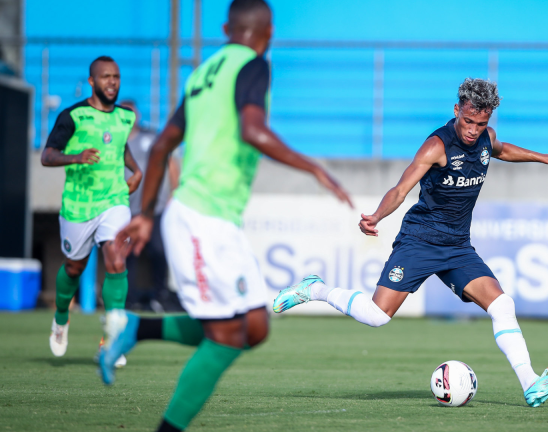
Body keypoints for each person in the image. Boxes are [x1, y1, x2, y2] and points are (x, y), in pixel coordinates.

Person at [101, 1, 352, 431]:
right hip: (201, 218)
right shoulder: (254, 65)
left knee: (254, 328)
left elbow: (162, 146)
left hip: (213, 219)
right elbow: (251, 130)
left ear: (226, 28)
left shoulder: (202, 73)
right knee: (226, 336)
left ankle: (136, 330)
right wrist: (313, 167)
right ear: (268, 32)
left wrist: (146, 213)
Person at [274, 78, 548, 407]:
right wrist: (377, 216)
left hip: (458, 247)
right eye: (468, 121)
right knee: (377, 315)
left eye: (481, 123)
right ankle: (315, 289)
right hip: (420, 240)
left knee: (502, 305)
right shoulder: (437, 146)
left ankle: (531, 383)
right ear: (456, 110)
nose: (474, 130)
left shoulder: (486, 138)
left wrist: (547, 158)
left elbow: (501, 149)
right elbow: (401, 189)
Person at [42, 56, 141, 368]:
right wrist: (76, 157)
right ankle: (60, 319)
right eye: (105, 77)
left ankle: (110, 341)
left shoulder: (125, 117)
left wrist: (135, 170)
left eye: (116, 77)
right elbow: (47, 155)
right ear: (92, 81)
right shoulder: (73, 116)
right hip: (78, 205)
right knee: (74, 267)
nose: (112, 82)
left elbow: (121, 147)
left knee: (116, 258)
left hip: (114, 199)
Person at [121, 100, 182, 312]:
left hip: (154, 209)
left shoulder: (151, 137)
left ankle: (160, 295)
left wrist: (175, 191)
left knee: (159, 250)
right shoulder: (114, 142)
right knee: (128, 253)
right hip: (126, 208)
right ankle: (128, 299)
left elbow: (170, 162)